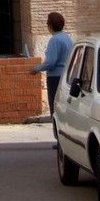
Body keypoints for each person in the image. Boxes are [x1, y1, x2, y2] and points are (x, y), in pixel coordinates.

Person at [31, 10, 73, 145]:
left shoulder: (54, 40)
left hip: (55, 77)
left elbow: (51, 62)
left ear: (50, 25)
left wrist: (36, 69)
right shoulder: (67, 38)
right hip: (67, 76)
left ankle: (59, 139)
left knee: (55, 108)